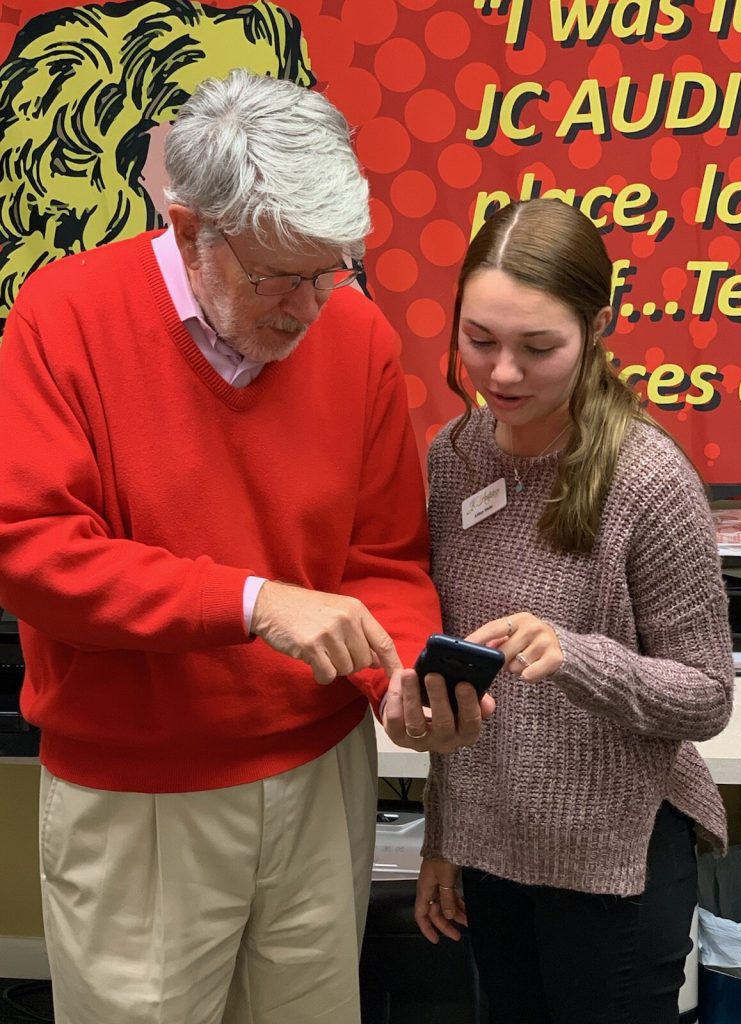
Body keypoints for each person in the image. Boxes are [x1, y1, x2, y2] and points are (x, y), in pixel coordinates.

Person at [0, 69, 490, 1024]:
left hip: (320, 781)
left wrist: (395, 678)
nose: (310, 309)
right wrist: (253, 601)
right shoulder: (63, 320)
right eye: (280, 276)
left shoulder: (355, 336)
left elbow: (383, 558)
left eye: (332, 268)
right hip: (137, 793)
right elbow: (33, 551)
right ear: (189, 230)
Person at [413, 198, 734, 1023]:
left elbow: (706, 693)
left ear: (597, 328)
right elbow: (456, 682)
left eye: (538, 347)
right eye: (479, 340)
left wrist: (577, 654)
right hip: (490, 855)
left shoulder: (647, 479)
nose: (503, 375)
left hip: (613, 869)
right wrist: (443, 841)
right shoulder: (451, 463)